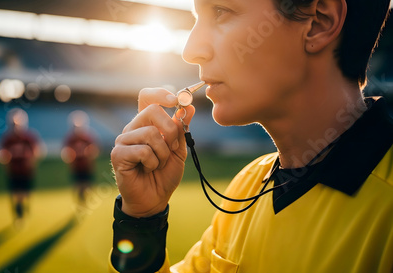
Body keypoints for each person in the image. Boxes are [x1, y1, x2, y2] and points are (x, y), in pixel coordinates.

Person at [109, 0, 393, 272]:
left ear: (319, 22)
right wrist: (142, 221)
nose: (190, 49)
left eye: (220, 11)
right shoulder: (245, 188)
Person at [0, 108, 41, 226]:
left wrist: (31, 161)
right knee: (15, 194)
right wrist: (4, 159)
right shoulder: (7, 139)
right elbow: (2, 154)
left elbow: (37, 151)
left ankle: (23, 208)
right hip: (14, 171)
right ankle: (18, 214)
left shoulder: (29, 137)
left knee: (25, 194)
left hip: (26, 171)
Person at [61, 110, 99, 204]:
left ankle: (85, 198)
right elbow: (66, 152)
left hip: (86, 165)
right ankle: (80, 199)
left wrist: (88, 153)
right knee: (78, 184)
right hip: (76, 166)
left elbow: (95, 150)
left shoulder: (88, 137)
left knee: (87, 184)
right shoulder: (70, 138)